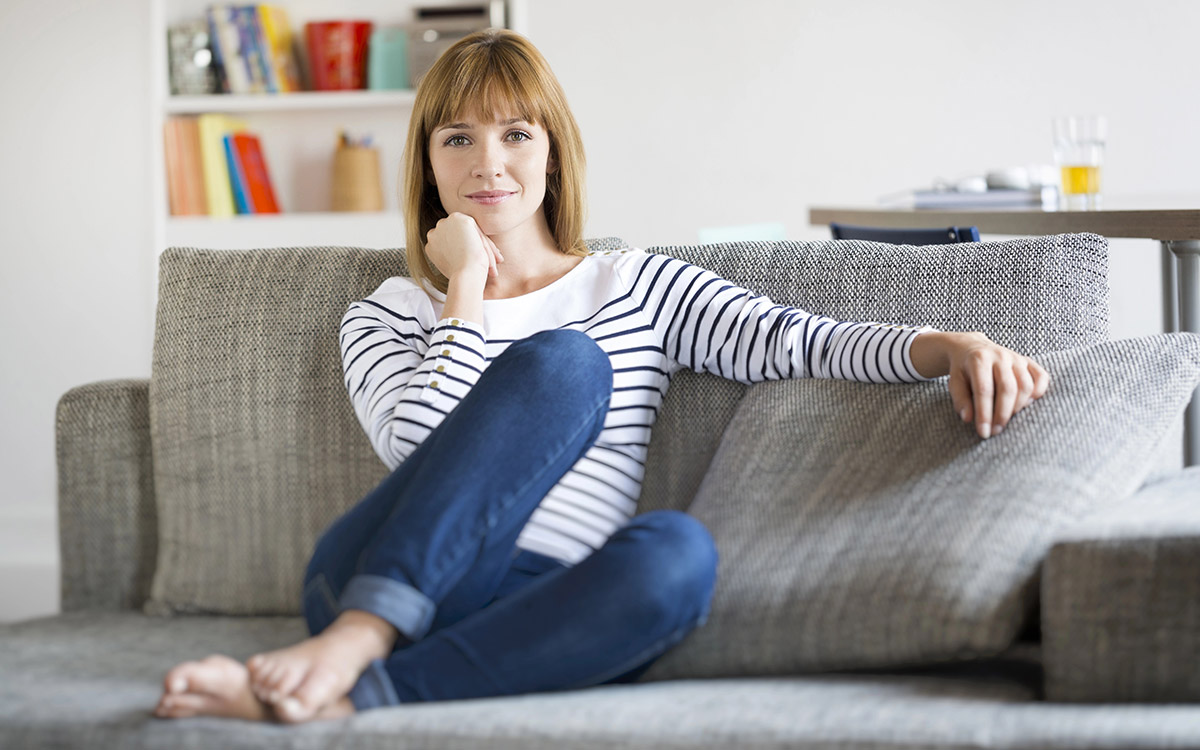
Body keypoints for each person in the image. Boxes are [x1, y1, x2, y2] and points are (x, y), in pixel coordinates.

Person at [153, 28, 1049, 724]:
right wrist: (463, 286)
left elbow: (793, 339)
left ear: (552, 152)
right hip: (374, 578)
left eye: (514, 133)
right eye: (457, 138)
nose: (487, 163)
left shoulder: (636, 286)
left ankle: (356, 696)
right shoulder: (387, 309)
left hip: (545, 605)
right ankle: (357, 642)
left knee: (679, 557)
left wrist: (946, 344)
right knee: (564, 365)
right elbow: (420, 450)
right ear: (428, 162)